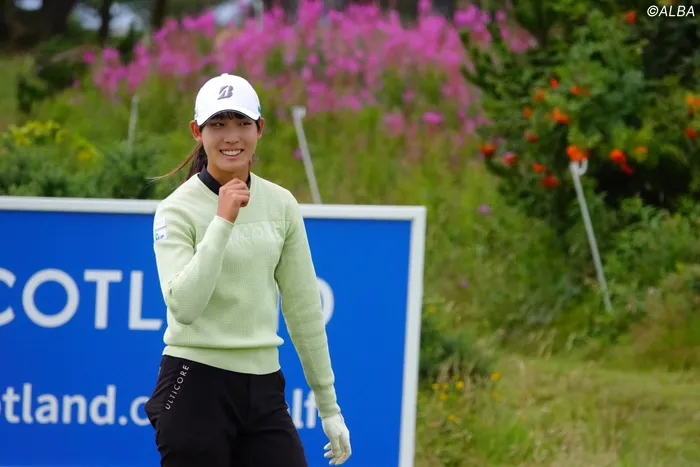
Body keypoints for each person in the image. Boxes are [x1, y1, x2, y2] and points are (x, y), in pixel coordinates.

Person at [143, 73, 352, 467]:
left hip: (264, 390)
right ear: (197, 131)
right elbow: (184, 306)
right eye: (218, 124)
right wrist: (222, 221)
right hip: (193, 386)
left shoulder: (281, 204)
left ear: (260, 128)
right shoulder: (176, 209)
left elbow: (304, 308)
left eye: (242, 123)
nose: (231, 136)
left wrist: (328, 406)